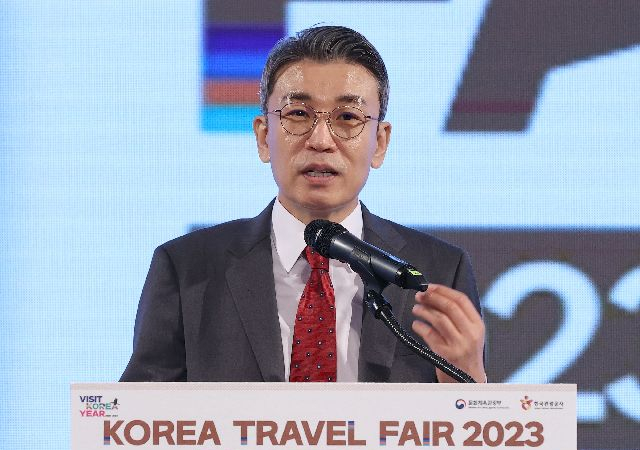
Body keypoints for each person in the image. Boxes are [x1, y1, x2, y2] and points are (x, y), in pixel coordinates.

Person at [120, 26, 486, 384]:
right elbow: (138, 417)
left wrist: (468, 375)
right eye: (298, 114)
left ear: (379, 143)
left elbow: (472, 420)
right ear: (264, 136)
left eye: (347, 117)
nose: (321, 140)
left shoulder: (438, 271)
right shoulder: (186, 269)